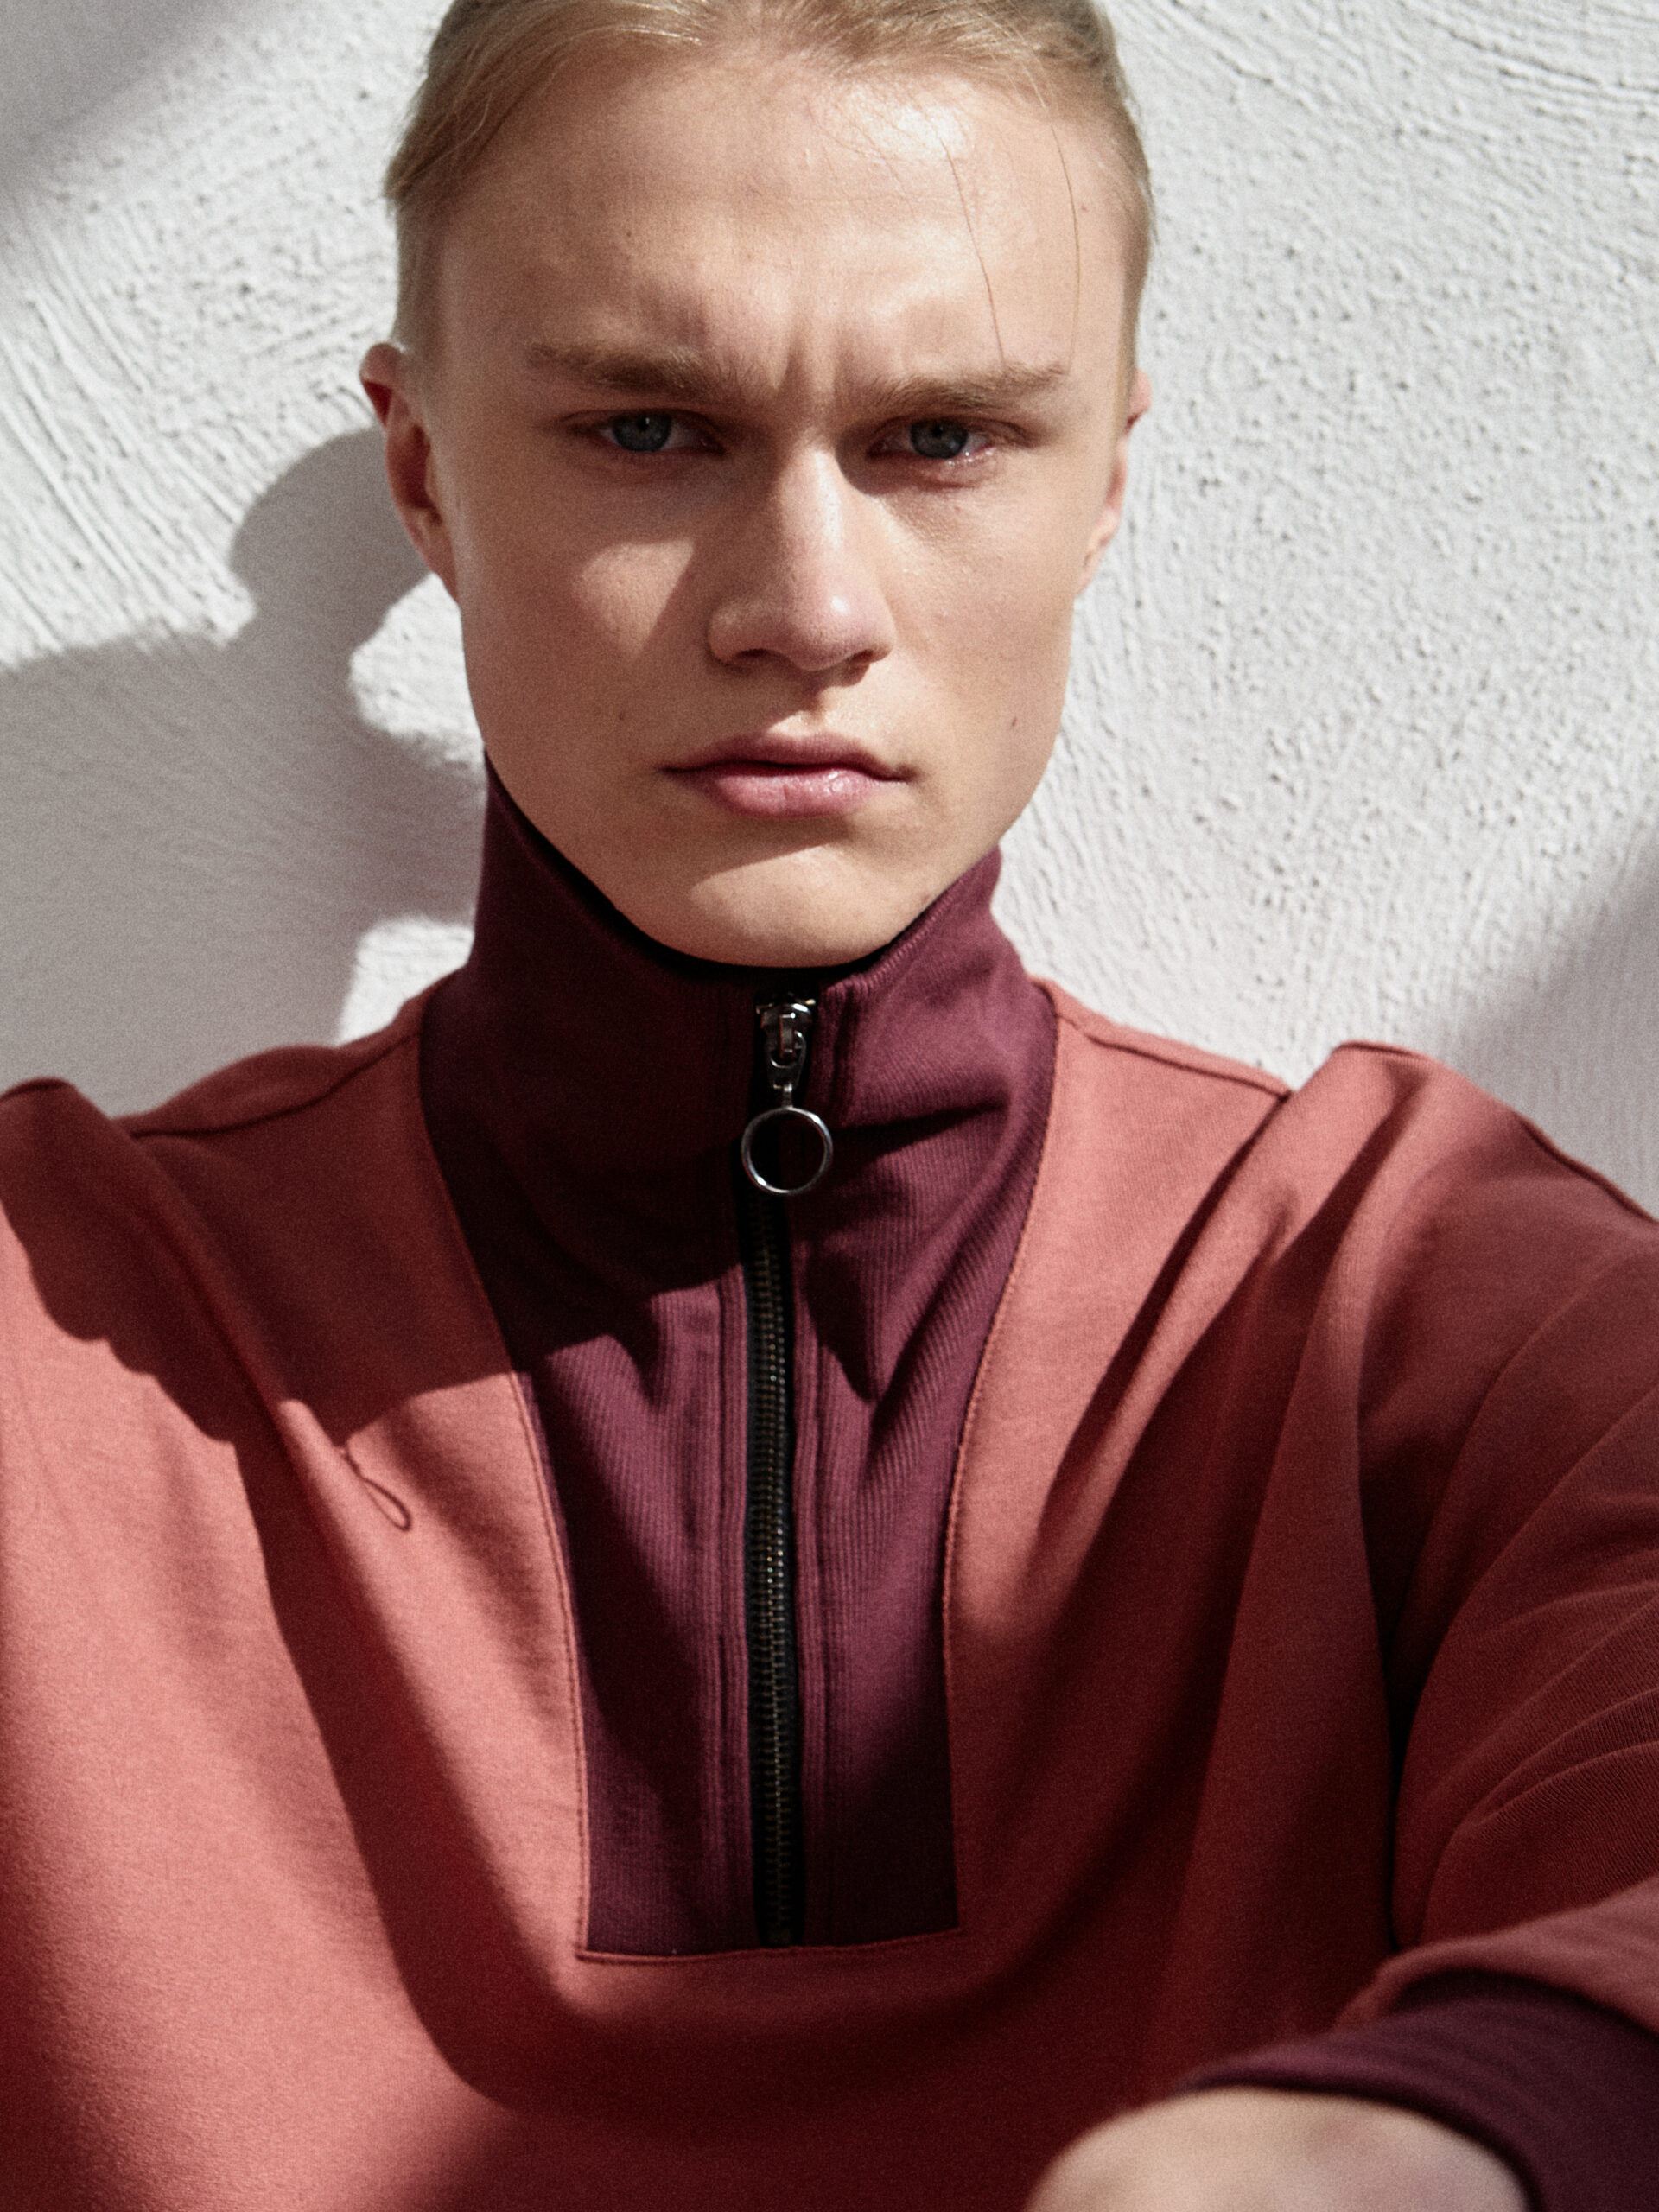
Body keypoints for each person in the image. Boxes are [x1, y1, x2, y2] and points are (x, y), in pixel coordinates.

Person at [2, 0, 1656, 2205]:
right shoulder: (45, 1339)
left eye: (942, 436)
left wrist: (1479, 2116)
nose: (806, 607)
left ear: (1106, 480)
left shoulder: (1422, 1297)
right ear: (425, 474)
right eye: (649, 428)